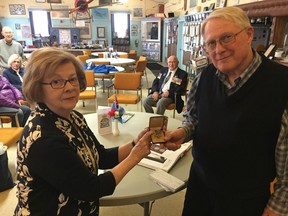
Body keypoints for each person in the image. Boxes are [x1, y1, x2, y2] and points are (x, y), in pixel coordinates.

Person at [164, 7, 288, 216]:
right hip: (200, 186)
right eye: (211, 43)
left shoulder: (281, 84)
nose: (218, 49)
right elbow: (193, 117)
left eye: (227, 38)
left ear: (249, 34)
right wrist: (184, 132)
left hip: (246, 199)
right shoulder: (205, 77)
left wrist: (279, 204)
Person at [14, 47, 153, 215]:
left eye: (73, 79)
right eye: (56, 82)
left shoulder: (73, 117)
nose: (70, 87)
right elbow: (92, 188)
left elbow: (100, 156)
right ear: (38, 88)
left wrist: (134, 144)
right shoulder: (44, 138)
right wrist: (135, 157)